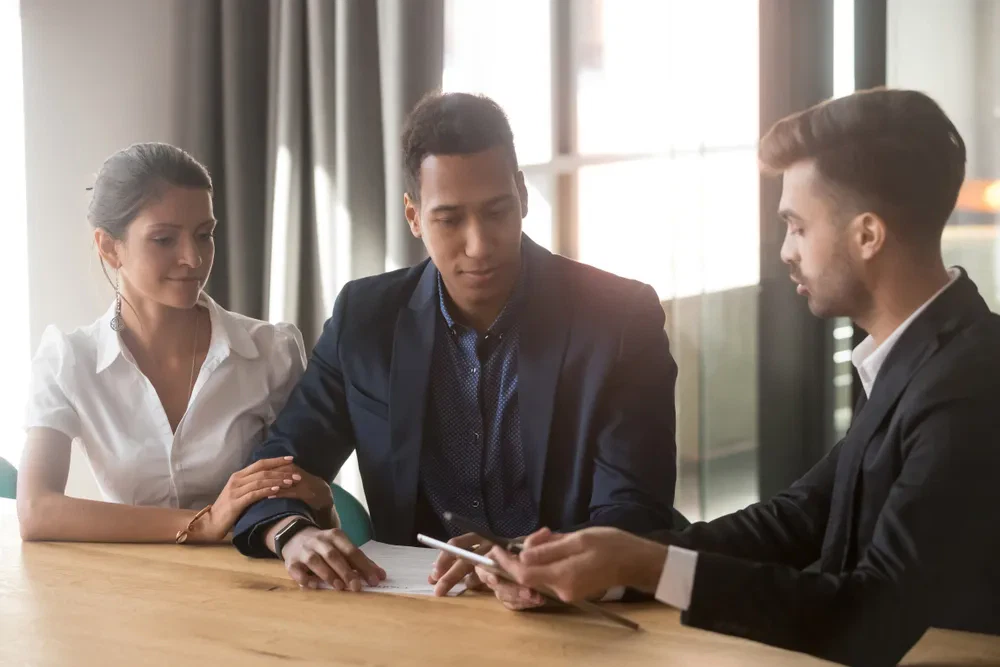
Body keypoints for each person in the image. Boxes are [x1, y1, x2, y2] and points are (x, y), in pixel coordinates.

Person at [489, 88, 1000, 666]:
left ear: (867, 235)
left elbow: (870, 616)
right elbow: (796, 520)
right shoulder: (916, 357)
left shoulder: (968, 388)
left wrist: (647, 565)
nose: (785, 252)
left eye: (797, 227)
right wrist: (602, 565)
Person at [232, 92, 679, 599]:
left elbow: (635, 513)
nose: (479, 245)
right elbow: (276, 468)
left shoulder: (619, 319)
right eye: (449, 220)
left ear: (522, 195)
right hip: (418, 607)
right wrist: (292, 533)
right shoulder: (366, 318)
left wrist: (514, 555)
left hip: (569, 608)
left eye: (497, 211)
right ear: (413, 216)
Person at [18, 143, 334, 544]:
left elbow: (308, 502)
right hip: (131, 577)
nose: (193, 259)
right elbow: (37, 510)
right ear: (109, 247)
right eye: (164, 239)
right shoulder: (68, 360)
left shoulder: (271, 353)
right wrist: (204, 522)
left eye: (204, 235)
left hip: (249, 574)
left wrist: (315, 497)